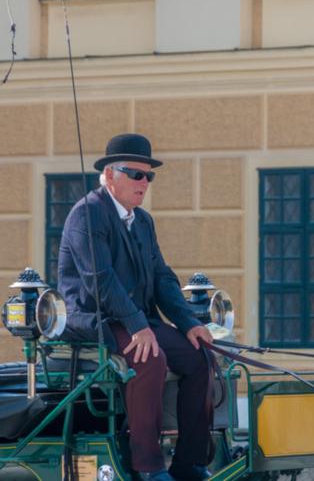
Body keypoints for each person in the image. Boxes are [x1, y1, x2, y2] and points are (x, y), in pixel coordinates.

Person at [58, 133, 213, 481]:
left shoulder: (142, 221)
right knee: (149, 357)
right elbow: (101, 280)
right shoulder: (87, 214)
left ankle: (190, 464)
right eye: (135, 174)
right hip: (95, 318)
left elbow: (162, 278)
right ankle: (148, 466)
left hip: (137, 319)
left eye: (149, 176)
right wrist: (138, 325)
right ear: (110, 175)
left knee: (200, 356)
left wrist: (188, 322)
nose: (144, 182)